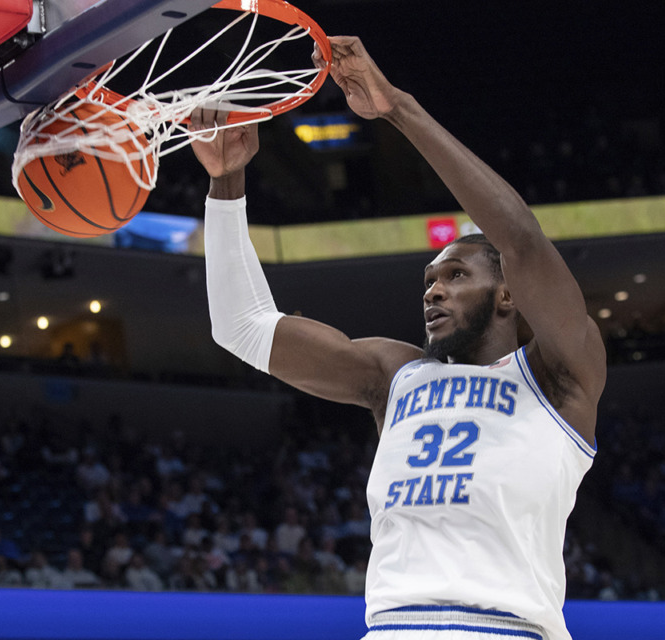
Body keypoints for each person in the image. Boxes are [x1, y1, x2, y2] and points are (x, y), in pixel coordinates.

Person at [190, 36, 606, 640]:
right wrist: (227, 184)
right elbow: (241, 327)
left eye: (456, 276)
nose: (432, 291)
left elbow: (520, 238)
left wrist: (397, 109)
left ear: (508, 294)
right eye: (429, 280)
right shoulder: (396, 375)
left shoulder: (559, 378)